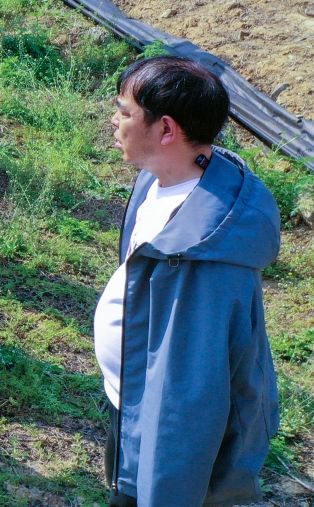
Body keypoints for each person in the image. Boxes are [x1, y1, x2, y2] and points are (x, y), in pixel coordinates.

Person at [95, 56, 279, 507]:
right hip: (132, 403)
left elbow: (189, 403)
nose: (114, 121)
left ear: (166, 130)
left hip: (160, 431)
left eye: (125, 112)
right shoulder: (158, 179)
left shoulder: (208, 258)